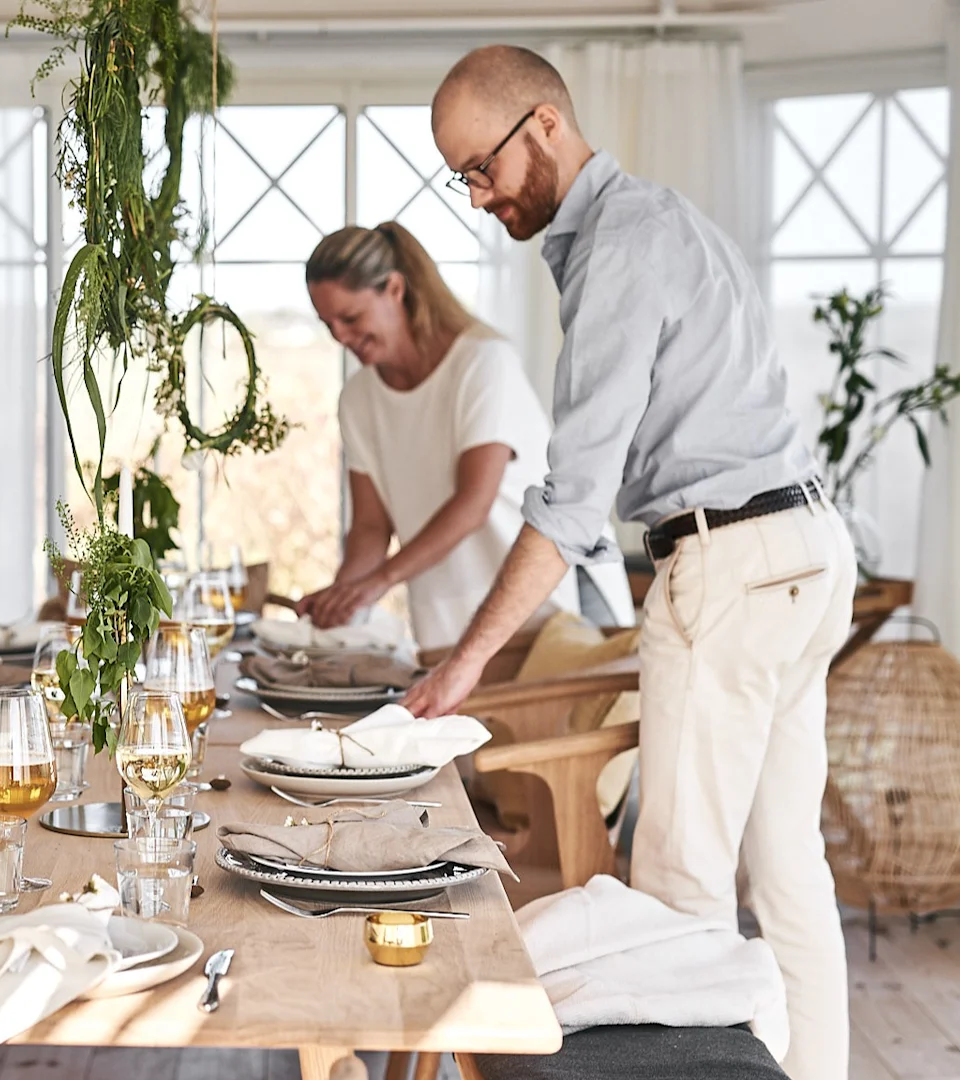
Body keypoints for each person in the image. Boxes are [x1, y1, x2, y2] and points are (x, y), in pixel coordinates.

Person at [405, 46, 855, 1080]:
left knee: (678, 901)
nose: (476, 196)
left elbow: (569, 504)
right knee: (790, 872)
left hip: (729, 563)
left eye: (482, 166)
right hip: (805, 547)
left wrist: (467, 666)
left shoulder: (618, 250)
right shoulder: (664, 221)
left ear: (546, 127)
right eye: (459, 176)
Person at [296, 222, 628, 650]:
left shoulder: (483, 363)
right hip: (453, 618)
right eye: (328, 324)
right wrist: (342, 600)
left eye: (351, 317)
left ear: (395, 289)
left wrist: (378, 583)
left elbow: (473, 503)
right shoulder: (358, 399)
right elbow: (370, 527)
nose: (340, 337)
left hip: (553, 603)